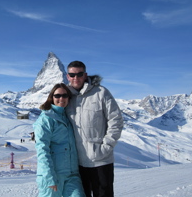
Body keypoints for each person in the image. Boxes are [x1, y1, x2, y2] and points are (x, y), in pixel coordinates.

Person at [65, 61, 124, 197]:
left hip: (101, 160)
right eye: (72, 75)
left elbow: (116, 120)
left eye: (79, 74)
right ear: (67, 76)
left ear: (85, 75)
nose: (76, 78)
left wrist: (106, 147)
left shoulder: (101, 92)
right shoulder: (66, 96)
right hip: (77, 162)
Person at [33, 83, 86, 197]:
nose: (61, 98)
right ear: (52, 97)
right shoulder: (46, 119)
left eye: (64, 95)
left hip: (72, 175)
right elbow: (42, 149)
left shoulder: (68, 117)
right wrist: (49, 177)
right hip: (53, 175)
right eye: (57, 96)